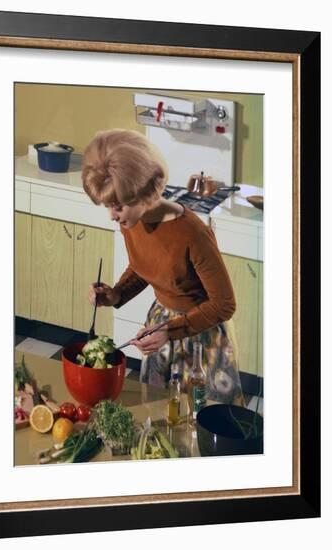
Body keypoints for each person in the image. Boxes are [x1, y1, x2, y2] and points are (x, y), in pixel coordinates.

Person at [81, 128, 243, 405]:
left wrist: (172, 330)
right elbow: (143, 265)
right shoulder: (131, 221)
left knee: (203, 419)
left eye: (117, 206)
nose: (111, 216)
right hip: (160, 323)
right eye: (107, 206)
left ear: (143, 194)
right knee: (157, 411)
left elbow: (224, 304)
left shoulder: (192, 233)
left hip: (202, 332)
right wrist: (116, 294)